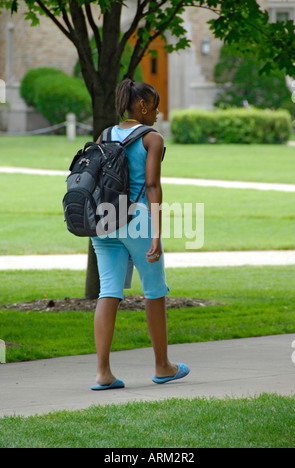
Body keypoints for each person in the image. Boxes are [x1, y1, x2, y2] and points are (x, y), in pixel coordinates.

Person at [90, 79, 190, 391]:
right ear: (142, 106)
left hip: (102, 221)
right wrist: (157, 235)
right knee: (154, 290)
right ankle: (162, 366)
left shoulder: (104, 135)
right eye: (155, 106)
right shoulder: (152, 139)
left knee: (109, 291)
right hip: (137, 220)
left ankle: (103, 373)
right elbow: (151, 186)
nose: (159, 113)